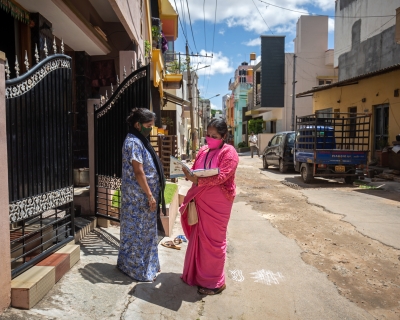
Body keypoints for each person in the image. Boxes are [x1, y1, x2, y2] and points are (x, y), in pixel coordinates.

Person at [180, 118, 239, 295]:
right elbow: (196, 169)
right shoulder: (203, 150)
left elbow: (222, 177)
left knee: (214, 242)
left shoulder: (230, 153)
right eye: (208, 135)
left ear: (224, 136)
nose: (210, 138)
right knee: (199, 239)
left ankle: (215, 282)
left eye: (215, 136)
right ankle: (197, 276)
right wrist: (188, 173)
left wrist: (196, 179)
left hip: (218, 203)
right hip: (200, 198)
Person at [117, 108, 166, 282]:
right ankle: (139, 270)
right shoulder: (133, 143)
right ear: (137, 124)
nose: (150, 129)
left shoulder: (139, 139)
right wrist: (150, 196)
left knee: (146, 234)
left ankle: (149, 265)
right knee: (138, 235)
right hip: (138, 199)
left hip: (142, 198)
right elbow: (139, 172)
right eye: (148, 125)